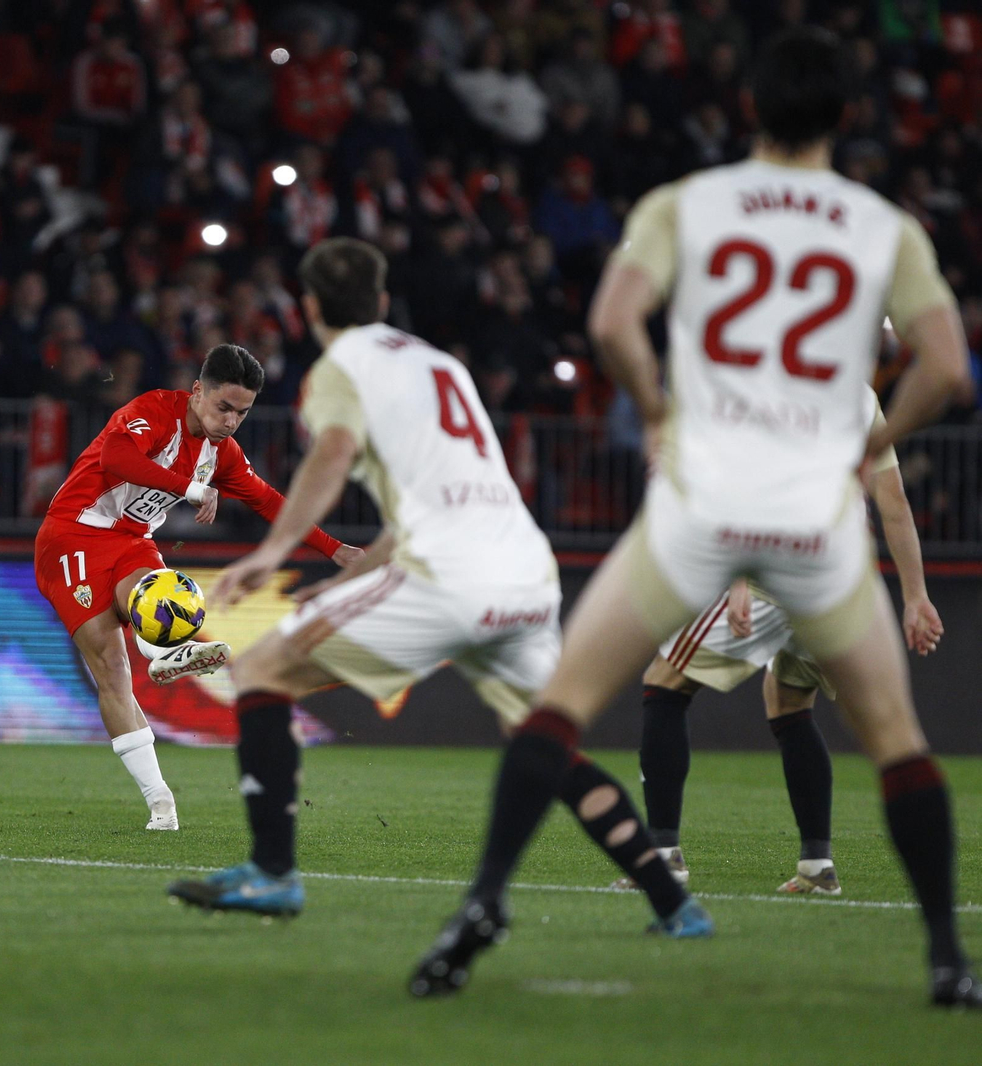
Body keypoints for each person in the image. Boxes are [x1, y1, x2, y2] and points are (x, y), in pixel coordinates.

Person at [412, 29, 979, 1008]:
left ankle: (481, 904)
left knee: (562, 705)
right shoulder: (882, 227)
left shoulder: (687, 205)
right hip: (814, 520)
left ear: (747, 112)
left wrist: (660, 409)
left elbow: (608, 324)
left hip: (705, 505)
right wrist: (853, 452)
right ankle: (946, 960)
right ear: (842, 119)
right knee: (894, 736)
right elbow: (945, 366)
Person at [169, 239, 692, 924]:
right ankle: (674, 903)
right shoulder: (440, 364)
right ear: (383, 302)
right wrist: (346, 581)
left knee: (262, 668)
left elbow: (331, 453)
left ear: (310, 307)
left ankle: (271, 872)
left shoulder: (338, 369)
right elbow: (447, 491)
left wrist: (275, 550)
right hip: (526, 572)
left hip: (449, 572)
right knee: (547, 742)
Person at [629, 387, 942, 896]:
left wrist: (734, 579)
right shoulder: (858, 395)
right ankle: (817, 866)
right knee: (790, 701)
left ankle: (662, 857)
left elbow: (743, 482)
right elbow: (893, 500)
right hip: (838, 576)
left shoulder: (770, 377)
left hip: (772, 565)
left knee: (663, 683)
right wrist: (915, 596)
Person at [34, 343, 360, 830]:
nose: (231, 421)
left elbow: (270, 502)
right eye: (223, 407)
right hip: (73, 534)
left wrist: (335, 550)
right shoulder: (151, 411)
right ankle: (159, 796)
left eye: (242, 413)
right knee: (111, 668)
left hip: (130, 539)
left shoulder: (221, 453)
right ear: (196, 391)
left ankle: (161, 656)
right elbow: (117, 457)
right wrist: (188, 488)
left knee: (163, 595)